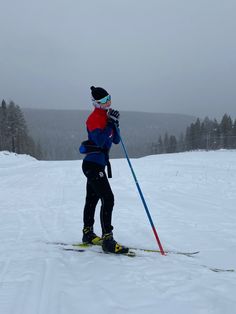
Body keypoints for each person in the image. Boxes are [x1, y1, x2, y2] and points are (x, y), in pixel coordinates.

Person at [80, 86, 128, 254]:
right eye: (104, 101)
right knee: (108, 198)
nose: (108, 103)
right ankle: (107, 239)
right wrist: (109, 124)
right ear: (96, 103)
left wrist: (115, 124)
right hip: (92, 164)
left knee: (92, 198)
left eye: (109, 99)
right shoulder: (93, 119)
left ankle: (88, 233)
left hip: (98, 164)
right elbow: (100, 141)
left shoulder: (106, 117)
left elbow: (116, 140)